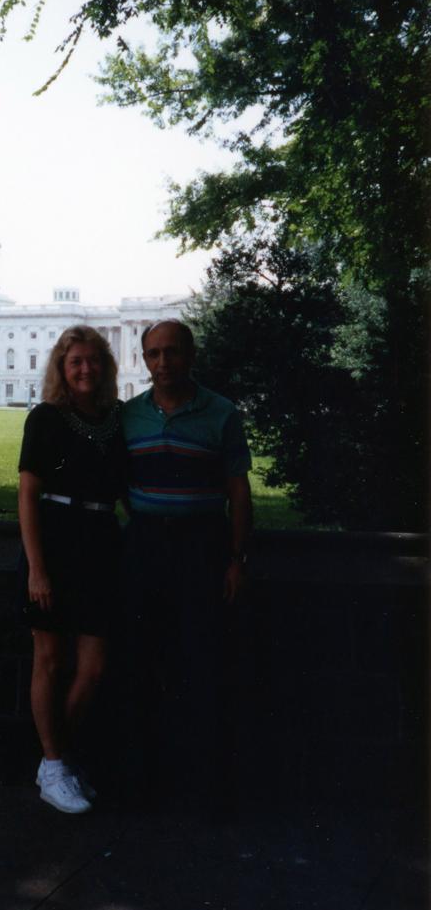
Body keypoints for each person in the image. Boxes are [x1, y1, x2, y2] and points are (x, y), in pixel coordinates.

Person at [121, 318, 253, 817]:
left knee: (202, 664)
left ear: (190, 355)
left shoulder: (221, 413)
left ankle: (206, 789)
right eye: (153, 354)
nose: (163, 363)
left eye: (172, 352)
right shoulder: (130, 415)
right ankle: (140, 783)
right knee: (139, 662)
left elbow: (238, 491)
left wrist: (236, 559)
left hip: (202, 547)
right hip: (145, 545)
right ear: (144, 359)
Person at [18, 326, 125, 814]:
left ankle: (56, 761)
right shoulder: (46, 418)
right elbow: (27, 494)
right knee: (50, 659)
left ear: (105, 366)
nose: (85, 369)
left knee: (94, 666)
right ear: (62, 368)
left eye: (93, 360)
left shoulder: (115, 419)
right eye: (75, 361)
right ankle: (56, 764)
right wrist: (37, 569)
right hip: (56, 541)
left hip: (101, 543)